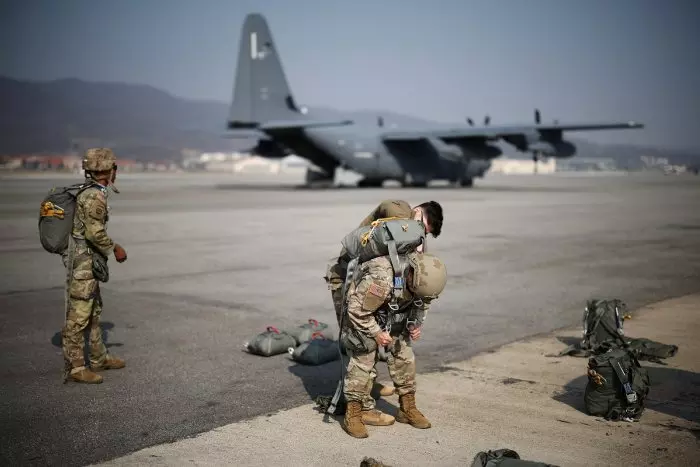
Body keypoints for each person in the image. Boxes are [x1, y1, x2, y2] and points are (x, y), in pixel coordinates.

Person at [324, 200, 444, 415]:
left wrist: (415, 322)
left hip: (378, 282)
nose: (421, 234)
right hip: (345, 278)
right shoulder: (401, 215)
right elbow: (388, 205)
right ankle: (360, 404)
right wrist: (408, 218)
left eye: (425, 232)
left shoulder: (413, 240)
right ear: (417, 212)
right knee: (360, 340)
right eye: (423, 226)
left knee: (385, 335)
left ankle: (370, 386)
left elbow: (419, 287)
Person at [340, 251, 447, 438]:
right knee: (364, 357)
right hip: (364, 314)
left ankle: (407, 407)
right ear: (411, 276)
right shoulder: (382, 277)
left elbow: (422, 304)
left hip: (392, 313)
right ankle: (354, 413)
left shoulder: (424, 283)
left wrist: (414, 323)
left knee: (404, 354)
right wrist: (376, 333)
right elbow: (356, 310)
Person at [62, 148, 128, 384]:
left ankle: (99, 358)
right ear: (109, 170)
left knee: (93, 311)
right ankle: (76, 367)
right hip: (84, 262)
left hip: (89, 261)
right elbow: (94, 232)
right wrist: (115, 248)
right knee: (79, 316)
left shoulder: (93, 191)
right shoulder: (94, 196)